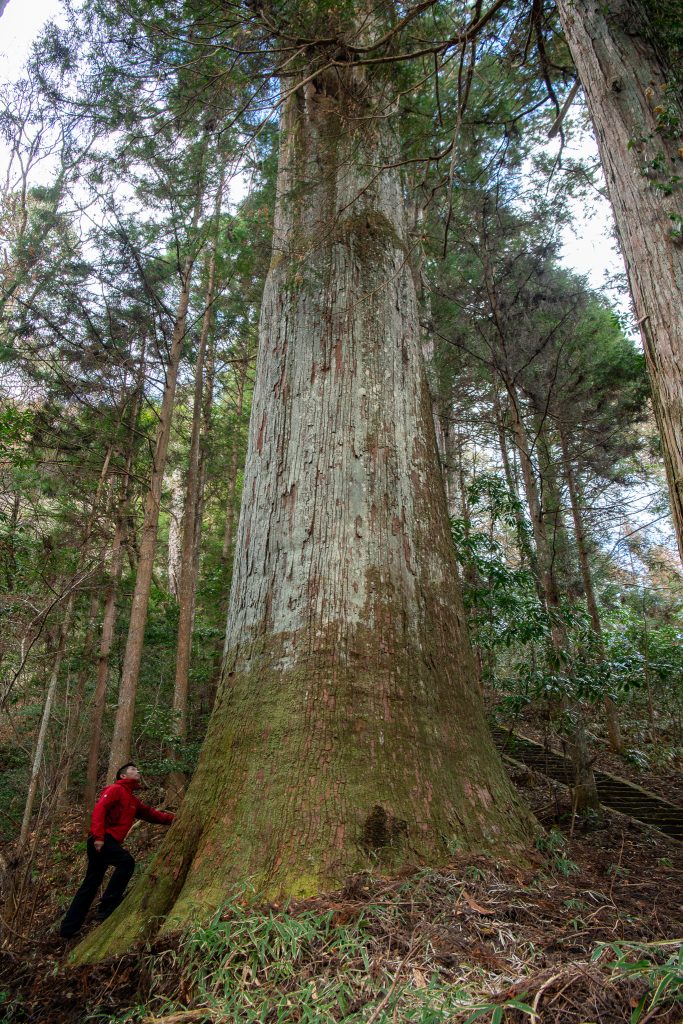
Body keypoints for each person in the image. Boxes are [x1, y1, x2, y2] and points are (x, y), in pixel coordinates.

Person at [59, 762, 174, 939]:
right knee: (126, 862)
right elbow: (99, 809)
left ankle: (68, 929)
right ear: (123, 776)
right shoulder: (115, 789)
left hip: (108, 841)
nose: (138, 771)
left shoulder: (132, 799)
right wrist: (98, 836)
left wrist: (173, 820)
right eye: (133, 770)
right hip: (103, 839)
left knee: (91, 883)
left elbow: (151, 814)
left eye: (138, 768)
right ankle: (108, 905)